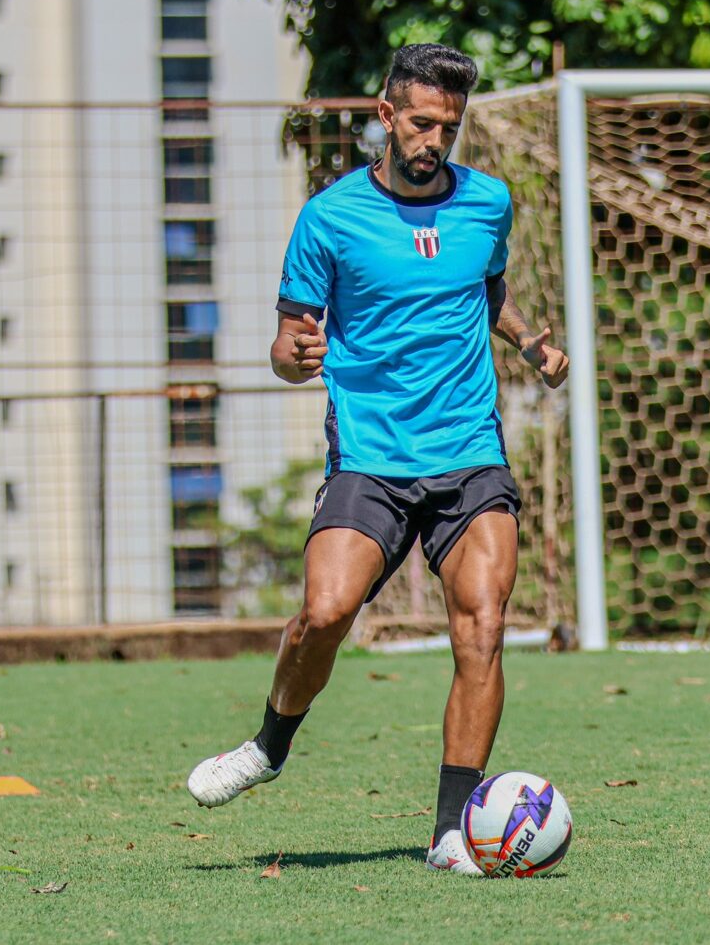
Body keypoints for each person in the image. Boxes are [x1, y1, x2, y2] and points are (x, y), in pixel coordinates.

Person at [186, 43, 569, 874]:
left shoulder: (488, 204)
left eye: (450, 126)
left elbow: (484, 287)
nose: (435, 139)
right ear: (386, 116)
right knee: (323, 613)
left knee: (485, 624)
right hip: (370, 457)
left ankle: (449, 833)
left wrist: (527, 340)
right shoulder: (329, 218)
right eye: (422, 122)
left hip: (469, 454)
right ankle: (269, 743)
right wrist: (294, 355)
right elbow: (288, 345)